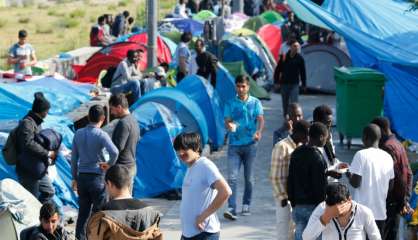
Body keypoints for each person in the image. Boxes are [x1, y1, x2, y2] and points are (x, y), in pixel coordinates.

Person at [71, 105, 119, 240]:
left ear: (88, 117)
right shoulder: (101, 134)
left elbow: (74, 159)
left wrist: (74, 178)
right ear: (103, 118)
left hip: (82, 178)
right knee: (100, 214)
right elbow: (114, 152)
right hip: (97, 177)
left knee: (83, 214)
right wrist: (108, 165)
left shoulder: (78, 133)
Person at [173, 132, 231, 240]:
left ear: (195, 148)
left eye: (184, 149)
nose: (180, 153)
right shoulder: (191, 167)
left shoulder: (205, 165)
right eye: (177, 149)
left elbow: (225, 191)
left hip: (204, 233)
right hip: (189, 233)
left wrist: (203, 217)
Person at [223, 75, 264, 220]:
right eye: (238, 86)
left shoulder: (255, 102)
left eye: (243, 86)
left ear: (248, 87)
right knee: (232, 178)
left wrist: (258, 132)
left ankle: (246, 204)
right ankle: (231, 208)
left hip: (250, 146)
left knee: (249, 178)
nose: (240, 89)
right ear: (235, 86)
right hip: (234, 146)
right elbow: (227, 120)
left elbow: (260, 119)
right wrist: (229, 125)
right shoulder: (230, 103)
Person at [287, 122, 338, 240]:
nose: (326, 141)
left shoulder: (296, 152)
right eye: (326, 138)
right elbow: (319, 186)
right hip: (313, 206)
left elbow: (291, 179)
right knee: (316, 235)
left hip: (297, 206)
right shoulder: (318, 157)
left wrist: (293, 201)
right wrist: (323, 205)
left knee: (299, 233)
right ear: (321, 137)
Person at [346, 124, 395, 236]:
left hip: (361, 213)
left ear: (365, 137)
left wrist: (348, 173)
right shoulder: (387, 157)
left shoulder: (361, 155)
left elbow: (355, 183)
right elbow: (391, 185)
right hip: (380, 212)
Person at [371, 117, 413, 240]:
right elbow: (408, 172)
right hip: (397, 199)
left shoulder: (387, 147)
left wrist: (403, 202)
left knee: (385, 235)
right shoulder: (397, 143)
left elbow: (397, 177)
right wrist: (406, 198)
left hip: (390, 202)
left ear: (382, 131)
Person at [270, 120, 310, 240]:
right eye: (306, 135)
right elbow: (274, 177)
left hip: (297, 199)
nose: (308, 138)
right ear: (298, 133)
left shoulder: (301, 147)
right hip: (284, 199)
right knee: (284, 233)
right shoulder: (281, 147)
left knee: (293, 233)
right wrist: (283, 198)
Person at [302, 183, 381, 240]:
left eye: (340, 205)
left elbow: (376, 237)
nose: (336, 210)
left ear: (349, 200)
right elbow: (306, 237)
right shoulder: (322, 208)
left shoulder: (364, 212)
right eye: (331, 205)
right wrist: (324, 219)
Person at [16, 92, 56, 203]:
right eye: (47, 111)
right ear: (42, 111)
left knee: (49, 191)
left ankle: (41, 217)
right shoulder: (27, 123)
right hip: (28, 170)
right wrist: (47, 153)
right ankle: (36, 218)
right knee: (31, 199)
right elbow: (28, 143)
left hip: (37, 168)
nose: (47, 113)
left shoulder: (36, 123)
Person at [108, 94, 140, 191]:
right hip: (131, 165)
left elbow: (117, 148)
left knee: (121, 202)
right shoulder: (134, 120)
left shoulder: (123, 123)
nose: (111, 112)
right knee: (127, 200)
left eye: (112, 109)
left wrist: (109, 164)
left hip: (122, 169)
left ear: (119, 107)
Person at [274, 39, 306, 118]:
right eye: (295, 46)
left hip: (294, 84)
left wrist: (304, 84)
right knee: (285, 103)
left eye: (298, 46)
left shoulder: (300, 59)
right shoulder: (284, 57)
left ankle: (294, 117)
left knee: (294, 102)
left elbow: (303, 72)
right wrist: (276, 82)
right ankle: (286, 117)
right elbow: (277, 70)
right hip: (284, 84)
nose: (297, 48)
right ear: (290, 47)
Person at [313, 105, 343, 182]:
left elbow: (331, 157)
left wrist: (341, 165)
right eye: (327, 123)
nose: (330, 126)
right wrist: (327, 173)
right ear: (317, 122)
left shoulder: (328, 135)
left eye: (331, 123)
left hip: (332, 184)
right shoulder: (310, 141)